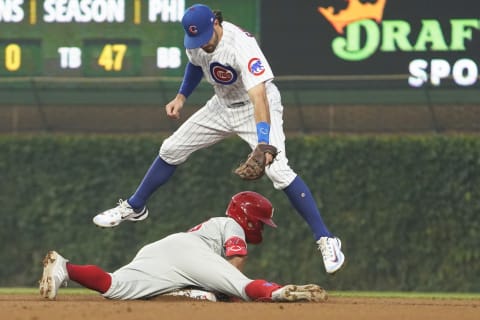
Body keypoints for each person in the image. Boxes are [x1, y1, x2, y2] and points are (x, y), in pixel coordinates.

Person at [92, 3, 345, 274]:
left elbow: (258, 95)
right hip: (221, 106)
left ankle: (326, 238)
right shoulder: (196, 40)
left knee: (279, 171)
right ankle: (135, 206)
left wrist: (263, 143)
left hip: (256, 107)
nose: (201, 43)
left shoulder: (241, 47)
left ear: (215, 23)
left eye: (204, 36)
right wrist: (181, 96)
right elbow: (195, 65)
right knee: (171, 148)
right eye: (195, 39)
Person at [41, 191, 327, 302]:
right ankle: (277, 291)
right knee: (240, 287)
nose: (261, 227)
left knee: (113, 287)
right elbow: (236, 260)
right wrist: (228, 288)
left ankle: (65, 267)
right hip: (190, 254)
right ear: (248, 218)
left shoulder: (215, 224)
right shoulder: (233, 225)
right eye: (260, 221)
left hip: (162, 251)